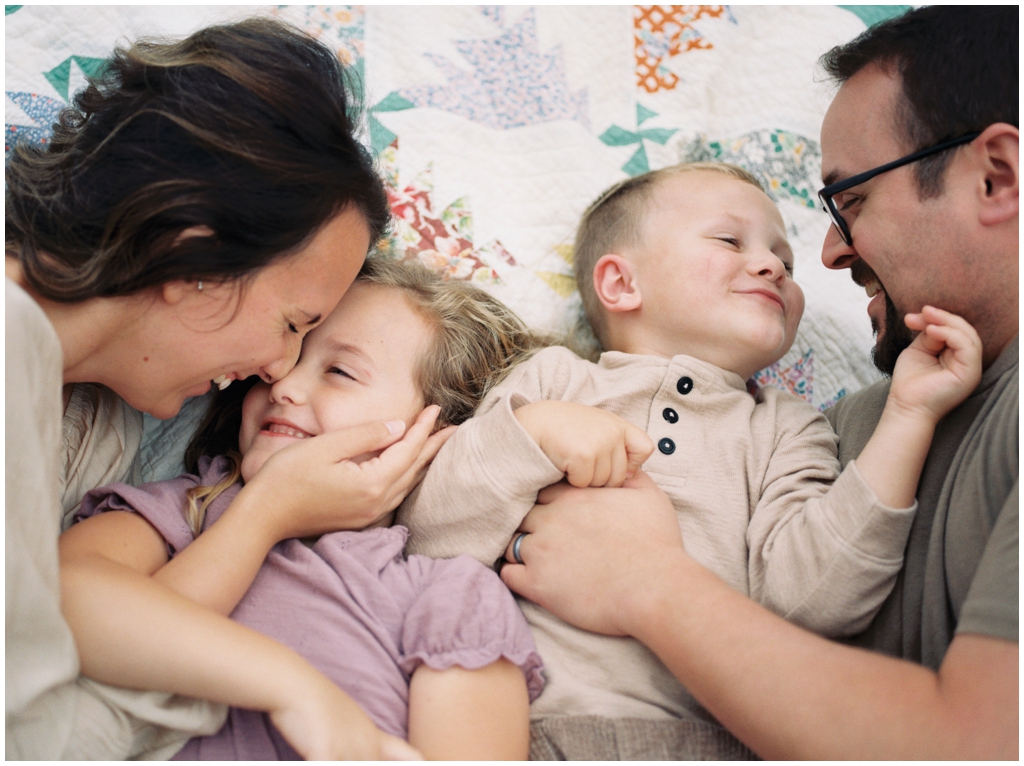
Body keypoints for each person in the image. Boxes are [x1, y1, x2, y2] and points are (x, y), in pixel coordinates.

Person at [498, 6, 1018, 759]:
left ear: (995, 176)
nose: (830, 252)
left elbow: (980, 745)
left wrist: (645, 582)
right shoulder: (842, 423)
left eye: (853, 200)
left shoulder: (799, 429)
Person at [398, 160, 983, 759]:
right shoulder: (551, 380)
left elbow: (812, 602)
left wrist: (908, 417)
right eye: (730, 241)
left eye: (786, 260)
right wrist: (535, 430)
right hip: (521, 731)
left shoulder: (787, 428)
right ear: (622, 284)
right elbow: (425, 535)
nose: (773, 265)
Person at [5, 19, 449, 760]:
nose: (278, 371)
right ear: (194, 258)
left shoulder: (99, 422)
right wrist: (292, 687)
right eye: (292, 323)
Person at [59, 257, 547, 760]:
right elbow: (60, 611)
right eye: (286, 364)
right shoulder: (181, 510)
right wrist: (267, 512)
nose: (284, 385)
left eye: (339, 371)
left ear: (436, 436)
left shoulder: (448, 595)